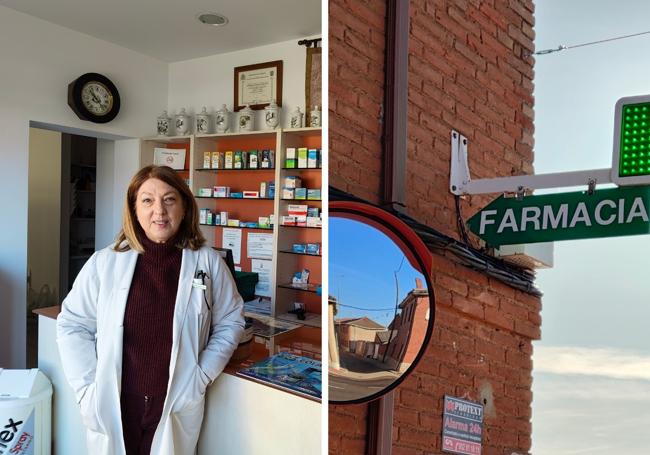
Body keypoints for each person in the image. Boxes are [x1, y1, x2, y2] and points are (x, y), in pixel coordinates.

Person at [57, 165, 245, 455]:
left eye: (169, 199)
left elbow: (231, 321)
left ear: (184, 207)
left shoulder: (207, 262)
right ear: (134, 209)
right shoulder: (105, 262)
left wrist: (202, 375)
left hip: (174, 400)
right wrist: (86, 389)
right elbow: (72, 324)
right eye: (147, 200)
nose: (159, 210)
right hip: (117, 401)